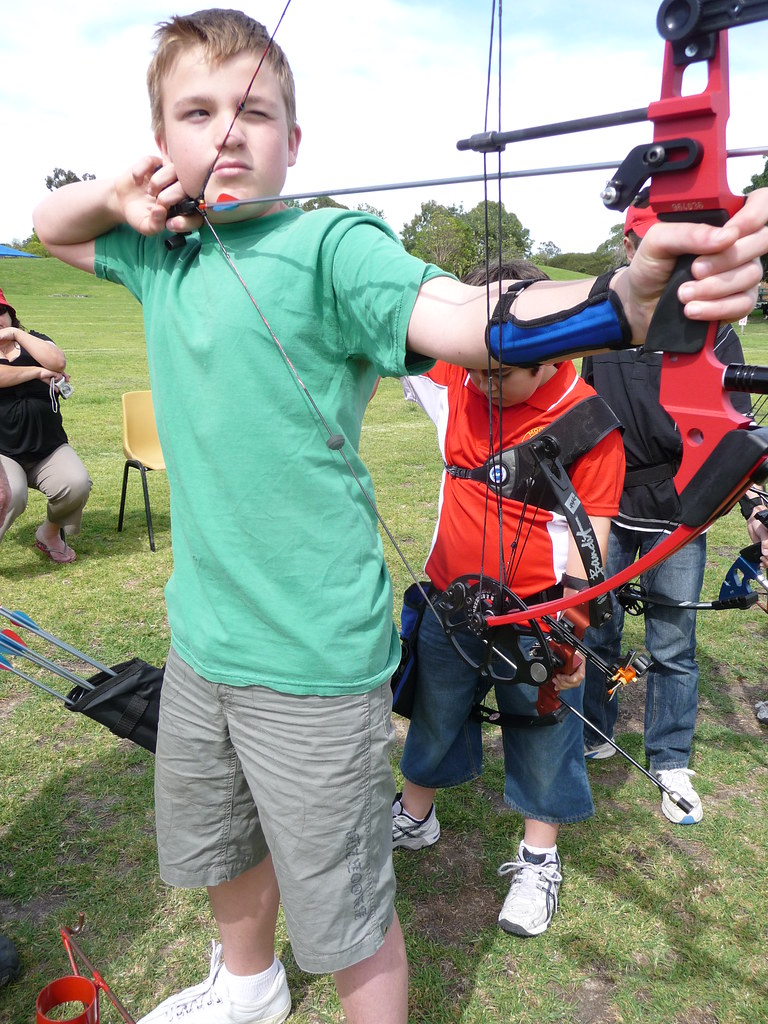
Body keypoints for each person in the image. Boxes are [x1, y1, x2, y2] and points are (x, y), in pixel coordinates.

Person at [32, 9, 768, 1023]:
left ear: (297, 143)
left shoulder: (333, 245)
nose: (230, 131)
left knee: (345, 908)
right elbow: (48, 229)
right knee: (222, 844)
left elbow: (469, 317)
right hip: (203, 638)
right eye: (197, 112)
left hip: (313, 658)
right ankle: (246, 985)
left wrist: (627, 294)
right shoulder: (163, 254)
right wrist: (113, 193)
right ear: (164, 148)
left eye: (257, 113)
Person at [391, 260, 624, 938]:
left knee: (544, 729)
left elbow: (592, 542)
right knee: (433, 710)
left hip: (537, 612)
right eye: (477, 365)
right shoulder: (458, 372)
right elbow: (393, 320)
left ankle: (537, 857)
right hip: (449, 598)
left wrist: (573, 632)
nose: (483, 382)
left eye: (503, 372)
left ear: (548, 351)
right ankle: (415, 815)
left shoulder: (588, 424)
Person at [581, 192, 752, 826]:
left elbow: (738, 432)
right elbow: (585, 410)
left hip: (682, 510)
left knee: (673, 644)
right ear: (630, 248)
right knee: (597, 627)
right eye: (652, 248)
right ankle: (596, 730)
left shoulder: (714, 329)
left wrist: (754, 508)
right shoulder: (604, 323)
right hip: (609, 502)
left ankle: (670, 757)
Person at [0, 287, 91, 563]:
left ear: (10, 314)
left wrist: (16, 335)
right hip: (3, 451)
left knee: (77, 484)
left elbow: (58, 361)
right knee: (10, 495)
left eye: (0, 313)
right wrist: (38, 372)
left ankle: (50, 533)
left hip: (47, 447)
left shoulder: (34, 339)